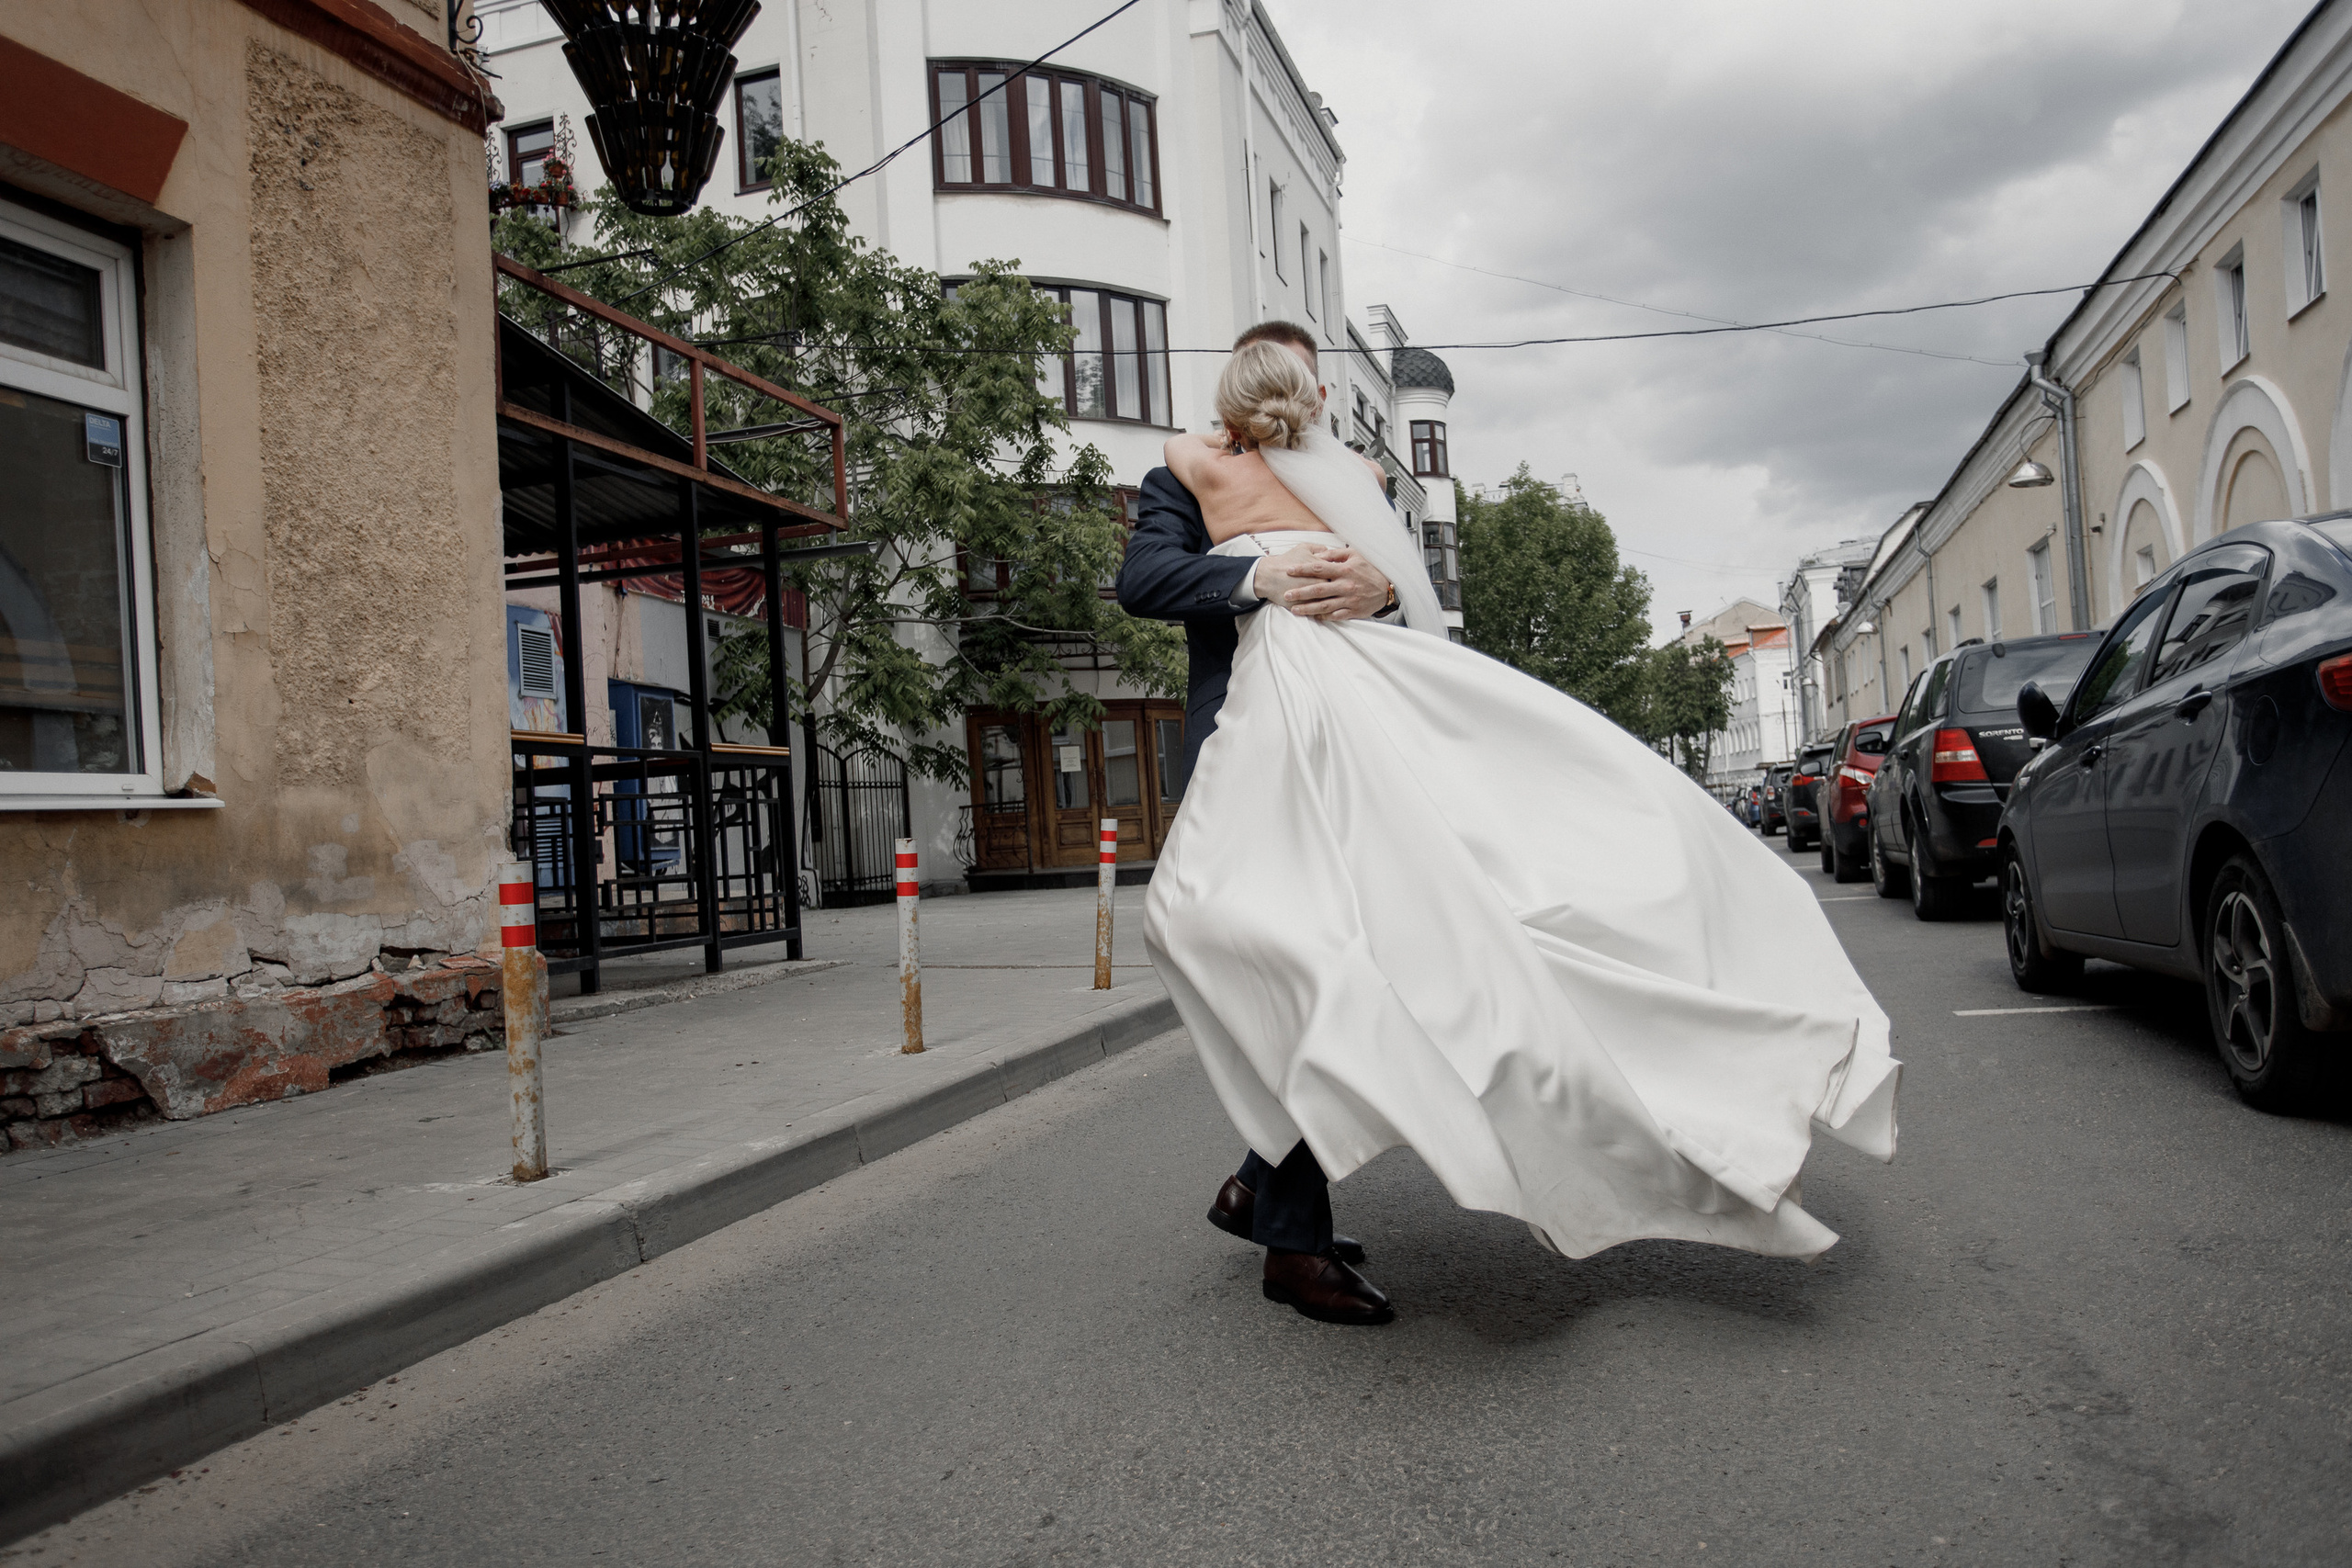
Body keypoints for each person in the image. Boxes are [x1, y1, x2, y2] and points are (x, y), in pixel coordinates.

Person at [1127, 331, 1904, 1330]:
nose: (1301, 393)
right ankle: (1283, 1221)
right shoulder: (1182, 472)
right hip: (1253, 759)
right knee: (1319, 964)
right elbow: (1145, 580)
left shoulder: (1354, 477)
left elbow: (1404, 609)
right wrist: (1254, 583)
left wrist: (1379, 589)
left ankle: (1269, 1200)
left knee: (1390, 963)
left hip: (1373, 757)